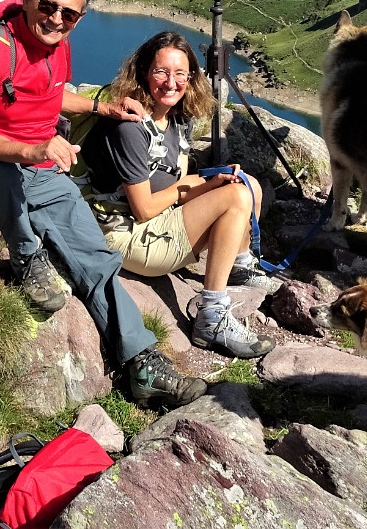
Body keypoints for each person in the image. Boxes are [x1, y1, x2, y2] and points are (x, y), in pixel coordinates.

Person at [0, 0, 207, 408]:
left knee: (96, 258)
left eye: (70, 14)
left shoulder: (57, 45)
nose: (57, 19)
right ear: (28, 1)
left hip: (41, 172)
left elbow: (51, 92)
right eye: (48, 6)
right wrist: (34, 149)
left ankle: (141, 362)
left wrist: (103, 108)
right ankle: (27, 259)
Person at [81, 32, 275, 359]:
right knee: (236, 199)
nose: (171, 82)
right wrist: (196, 186)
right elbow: (143, 209)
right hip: (125, 232)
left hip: (157, 217)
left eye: (181, 74)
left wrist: (212, 180)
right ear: (143, 71)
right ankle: (212, 317)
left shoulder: (176, 119)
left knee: (248, 186)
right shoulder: (130, 126)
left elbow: (174, 184)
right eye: (161, 72)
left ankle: (239, 266)